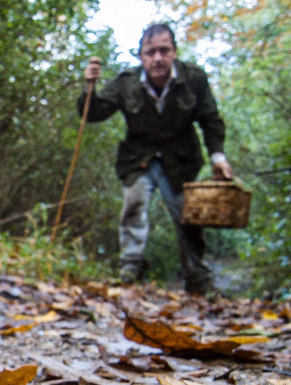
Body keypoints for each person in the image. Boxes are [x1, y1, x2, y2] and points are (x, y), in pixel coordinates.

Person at [78, 23, 234, 295]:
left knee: (188, 217)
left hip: (181, 161)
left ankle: (197, 278)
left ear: (174, 52)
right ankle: (130, 269)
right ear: (141, 55)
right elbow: (95, 113)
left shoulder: (194, 79)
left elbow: (210, 120)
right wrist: (89, 88)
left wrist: (218, 157)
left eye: (164, 50)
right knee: (134, 205)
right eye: (150, 52)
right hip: (138, 159)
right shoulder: (127, 82)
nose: (157, 58)